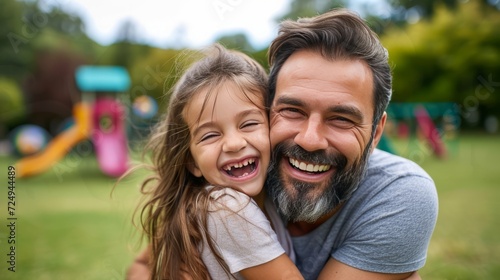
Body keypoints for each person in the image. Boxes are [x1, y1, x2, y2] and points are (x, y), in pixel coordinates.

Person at [127, 8, 438, 280]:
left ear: (376, 133)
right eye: (292, 110)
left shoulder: (398, 194)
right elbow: (143, 267)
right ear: (269, 109)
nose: (310, 140)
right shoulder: (238, 186)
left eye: (341, 118)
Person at [132, 44, 303, 280]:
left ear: (272, 127)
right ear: (191, 162)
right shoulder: (228, 208)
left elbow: (140, 265)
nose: (233, 144)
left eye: (249, 124)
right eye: (210, 135)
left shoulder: (267, 199)